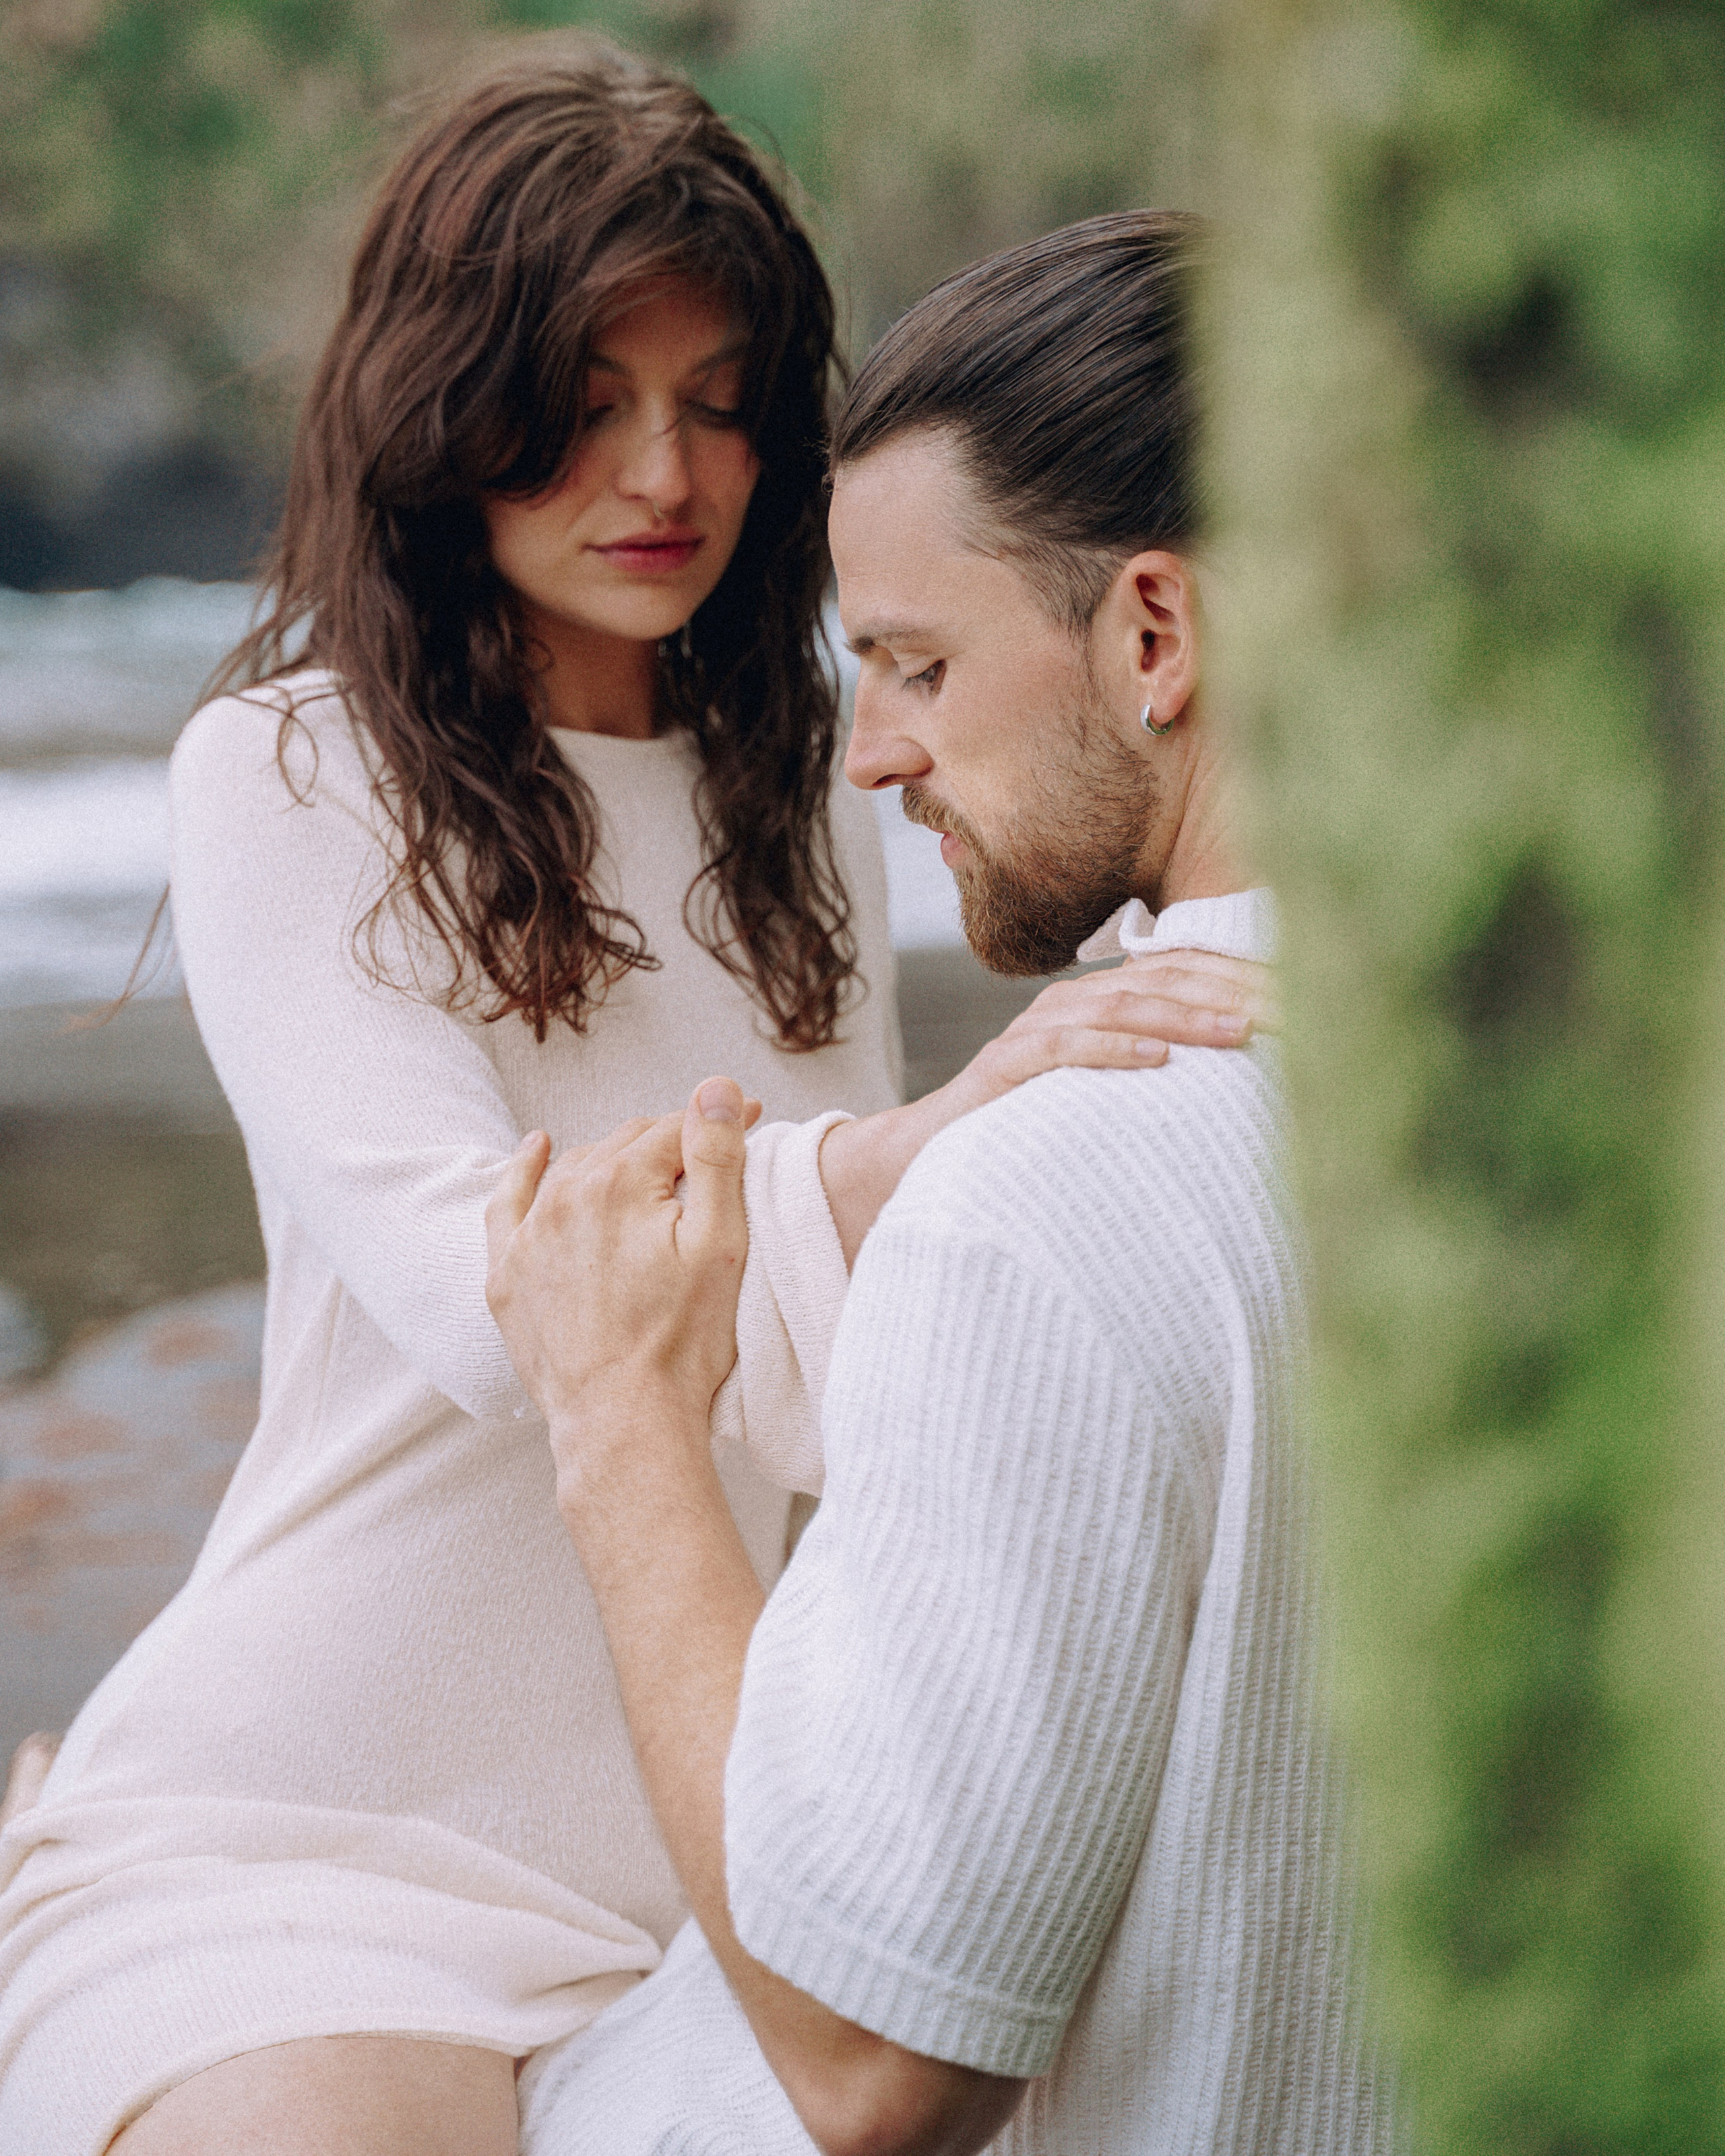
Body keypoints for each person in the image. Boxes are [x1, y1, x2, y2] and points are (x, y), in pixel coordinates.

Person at [0, 45, 1263, 2156]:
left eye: (719, 394)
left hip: (725, 1832)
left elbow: (823, 1380)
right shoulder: (293, 774)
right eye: (582, 402)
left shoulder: (808, 796)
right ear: (440, 407)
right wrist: (934, 1147)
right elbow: (483, 1299)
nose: (663, 470)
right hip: (317, 1842)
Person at [484, 210, 1400, 2155]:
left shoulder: (1046, 1210)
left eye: (913, 662)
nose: (873, 755)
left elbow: (876, 2064)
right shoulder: (1592, 1086)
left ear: (1157, 636)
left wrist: (623, 1422)